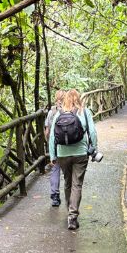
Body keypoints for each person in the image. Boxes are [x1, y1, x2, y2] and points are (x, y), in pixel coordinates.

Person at [48, 89, 98, 230]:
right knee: (77, 184)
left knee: (67, 183)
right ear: (78, 99)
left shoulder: (59, 113)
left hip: (62, 154)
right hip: (80, 154)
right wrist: (94, 149)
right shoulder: (84, 112)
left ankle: (69, 210)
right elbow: (92, 132)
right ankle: (72, 215)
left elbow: (52, 136)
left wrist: (53, 155)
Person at [44, 90, 65, 207]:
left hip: (55, 145)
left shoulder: (51, 112)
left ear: (56, 100)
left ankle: (55, 196)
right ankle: (70, 194)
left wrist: (49, 145)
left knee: (55, 169)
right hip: (67, 146)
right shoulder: (69, 110)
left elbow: (47, 132)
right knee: (68, 170)